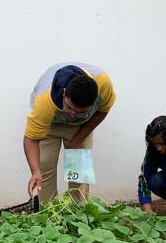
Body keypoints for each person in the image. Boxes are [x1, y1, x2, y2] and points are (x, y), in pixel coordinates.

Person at [23, 62, 116, 202]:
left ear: (92, 104)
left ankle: (79, 214)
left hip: (81, 126)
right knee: (44, 169)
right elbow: (31, 138)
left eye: (79, 111)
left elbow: (103, 111)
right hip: (50, 125)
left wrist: (79, 138)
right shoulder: (44, 101)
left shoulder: (104, 85)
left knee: (79, 171)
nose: (72, 115)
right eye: (69, 107)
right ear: (65, 93)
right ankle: (49, 215)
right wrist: (35, 171)